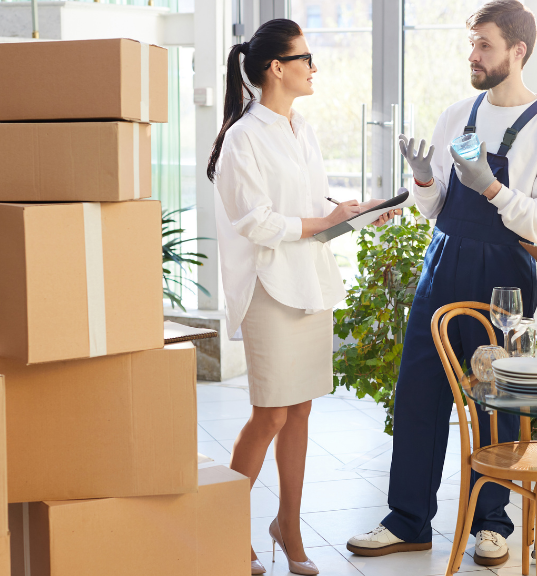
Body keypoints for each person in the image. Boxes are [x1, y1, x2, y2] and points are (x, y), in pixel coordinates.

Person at [347, 0, 537, 567]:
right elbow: (434, 207)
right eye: (471, 45)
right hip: (444, 259)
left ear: (517, 52)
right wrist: (425, 179)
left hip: (505, 272)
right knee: (420, 390)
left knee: (500, 398)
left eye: (485, 46)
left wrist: (496, 191)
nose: (472, 56)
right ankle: (408, 519)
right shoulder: (457, 114)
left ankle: (491, 525)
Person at [207, 18, 401, 576]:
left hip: (310, 283)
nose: (314, 68)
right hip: (270, 287)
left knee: (299, 413)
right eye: (306, 58)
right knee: (268, 414)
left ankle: (287, 525)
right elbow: (258, 223)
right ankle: (228, 524)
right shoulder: (243, 137)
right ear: (277, 68)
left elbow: (312, 206)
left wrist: (358, 213)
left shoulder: (302, 129)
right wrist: (326, 217)